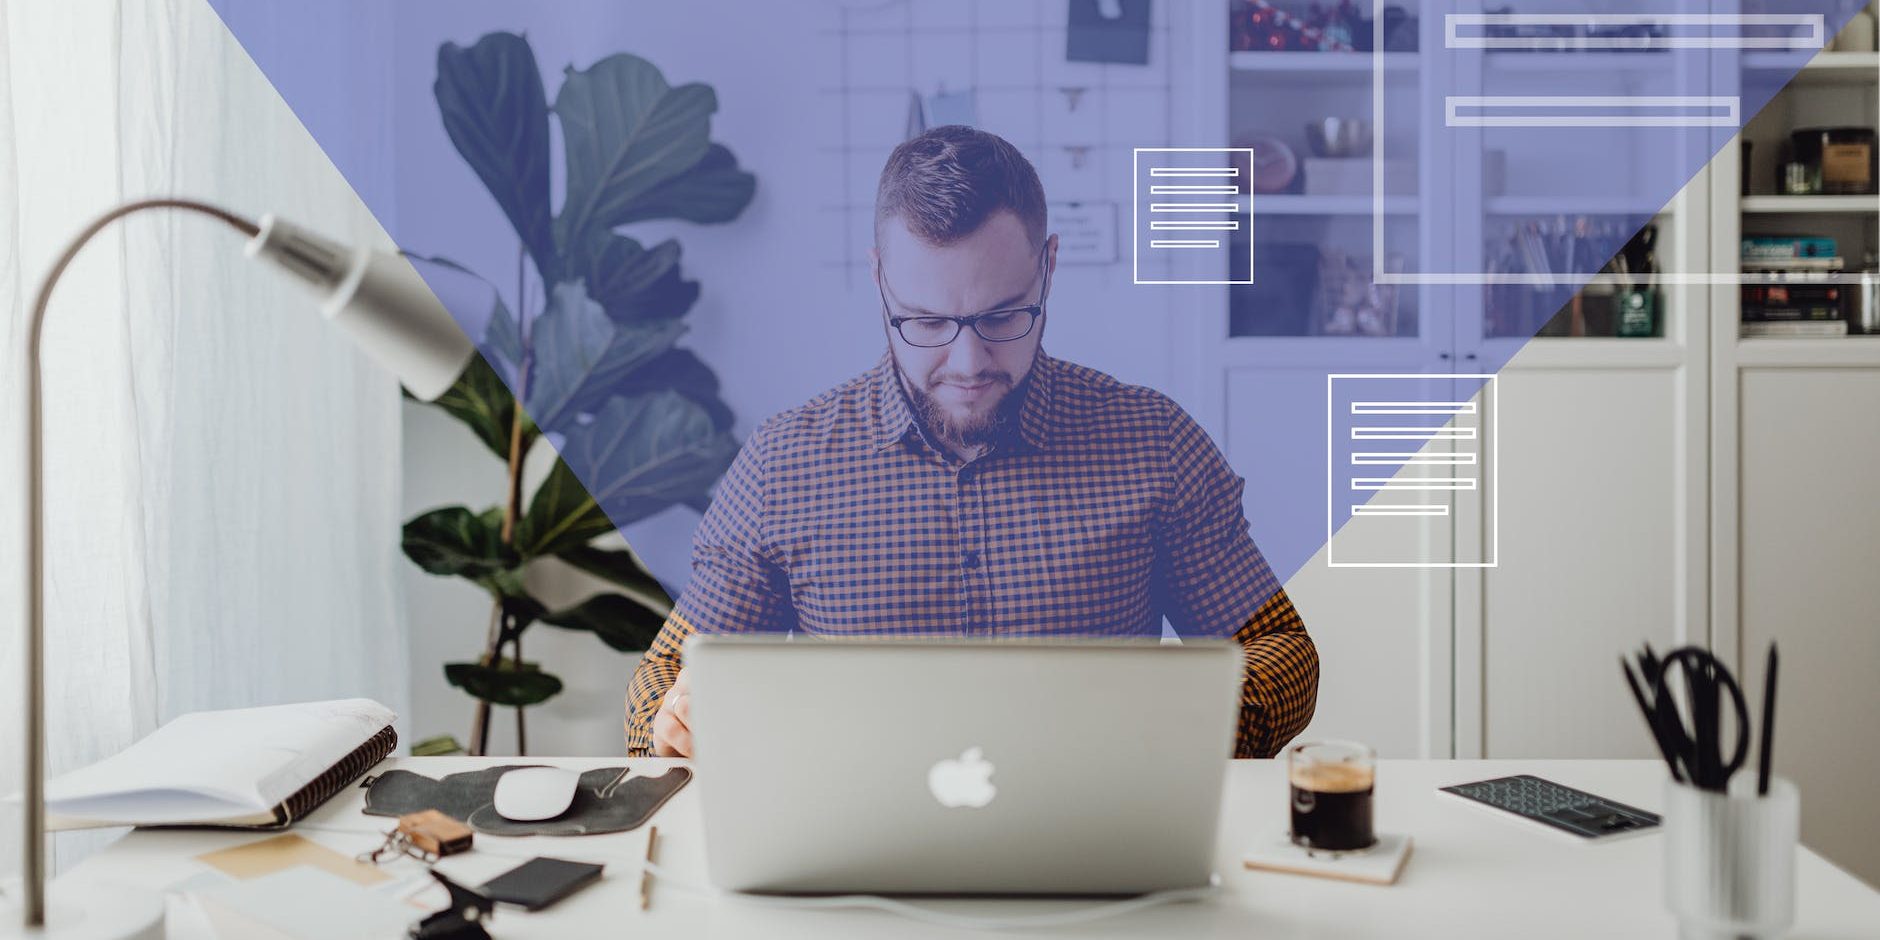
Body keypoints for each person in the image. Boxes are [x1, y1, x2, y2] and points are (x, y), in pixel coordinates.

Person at [624, 125, 1317, 759]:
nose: (968, 364)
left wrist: (1188, 726)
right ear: (879, 279)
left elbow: (1280, 648)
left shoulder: (1154, 444)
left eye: (1003, 316)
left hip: (1101, 835)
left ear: (1048, 267)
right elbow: (665, 675)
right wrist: (673, 721)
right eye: (926, 323)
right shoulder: (784, 465)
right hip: (857, 846)